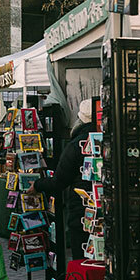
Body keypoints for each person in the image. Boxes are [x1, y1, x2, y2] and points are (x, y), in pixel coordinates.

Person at [34, 98, 96, 262]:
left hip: (81, 213)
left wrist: (37, 184)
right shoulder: (110, 138)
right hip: (104, 212)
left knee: (82, 260)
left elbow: (59, 181)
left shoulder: (76, 144)